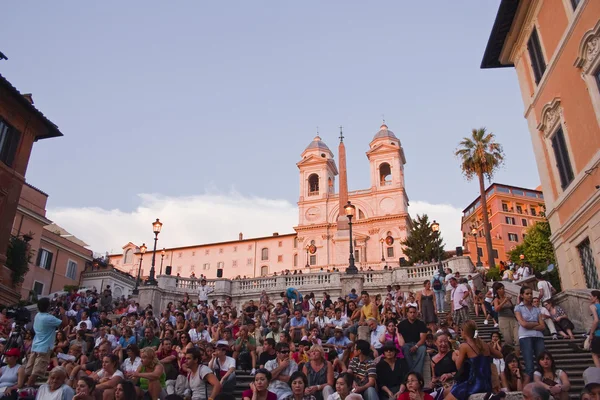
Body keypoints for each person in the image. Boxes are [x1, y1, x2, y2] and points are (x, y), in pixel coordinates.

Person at [446, 320, 502, 400]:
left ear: (464, 331)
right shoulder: (485, 344)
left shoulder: (464, 346)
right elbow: (500, 355)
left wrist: (455, 356)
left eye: (461, 330)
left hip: (474, 384)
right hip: (487, 383)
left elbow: (458, 367)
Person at [26, 297, 68, 387]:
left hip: (35, 346)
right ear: (48, 307)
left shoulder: (37, 315)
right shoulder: (49, 318)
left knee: (29, 370)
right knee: (36, 372)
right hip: (44, 348)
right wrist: (63, 314)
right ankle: (27, 390)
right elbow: (64, 324)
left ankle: (22, 386)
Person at [514, 286, 545, 380]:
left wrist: (529, 324)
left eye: (531, 293)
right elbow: (523, 324)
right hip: (525, 336)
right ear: (522, 295)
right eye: (527, 294)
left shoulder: (537, 309)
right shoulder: (518, 308)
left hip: (538, 336)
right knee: (529, 362)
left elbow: (543, 326)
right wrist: (536, 324)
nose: (530, 295)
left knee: (542, 361)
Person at [397, 306, 427, 374]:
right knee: (404, 348)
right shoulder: (402, 324)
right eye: (410, 312)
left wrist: (416, 346)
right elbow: (398, 336)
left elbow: (423, 339)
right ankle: (414, 372)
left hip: (418, 344)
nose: (412, 314)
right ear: (407, 313)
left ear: (416, 313)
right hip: (407, 344)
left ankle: (414, 372)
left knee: (423, 349)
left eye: (414, 312)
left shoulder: (421, 324)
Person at [492, 282, 519, 354]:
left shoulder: (507, 298)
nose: (503, 290)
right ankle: (511, 356)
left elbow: (512, 308)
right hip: (503, 319)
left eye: (503, 288)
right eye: (500, 289)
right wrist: (504, 301)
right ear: (497, 290)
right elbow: (496, 309)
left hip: (512, 318)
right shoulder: (496, 299)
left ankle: (517, 356)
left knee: (517, 338)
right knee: (508, 340)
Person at [429, 332, 457, 397]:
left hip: (454, 385)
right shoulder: (433, 360)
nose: (443, 344)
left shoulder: (453, 354)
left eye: (445, 341)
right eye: (440, 342)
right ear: (435, 343)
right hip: (440, 387)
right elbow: (434, 377)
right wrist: (433, 382)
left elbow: (462, 371)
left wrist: (450, 375)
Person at [589, 290, 600, 368]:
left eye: (591, 296)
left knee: (594, 354)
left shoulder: (593, 306)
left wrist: (591, 333)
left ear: (595, 297)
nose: (590, 298)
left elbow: (596, 320)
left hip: (598, 333)